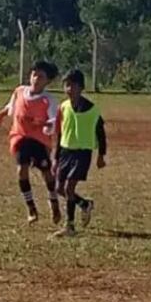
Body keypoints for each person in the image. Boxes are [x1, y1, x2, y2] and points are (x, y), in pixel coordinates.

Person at [0, 61, 61, 224]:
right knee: (21, 170)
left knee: (46, 173)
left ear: (47, 81)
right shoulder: (20, 91)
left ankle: (54, 202)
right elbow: (11, 107)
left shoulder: (48, 100)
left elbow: (54, 121)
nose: (36, 78)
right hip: (20, 136)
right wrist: (0, 115)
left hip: (39, 140)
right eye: (34, 74)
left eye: (41, 76)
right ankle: (31, 208)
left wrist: (42, 124)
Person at [52, 69, 107, 238]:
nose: (69, 89)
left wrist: (101, 155)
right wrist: (55, 157)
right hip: (65, 152)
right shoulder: (63, 107)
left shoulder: (92, 110)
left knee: (69, 187)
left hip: (82, 153)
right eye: (66, 85)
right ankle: (84, 204)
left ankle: (69, 226)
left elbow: (101, 134)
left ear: (81, 87)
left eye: (73, 85)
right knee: (59, 188)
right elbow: (60, 133)